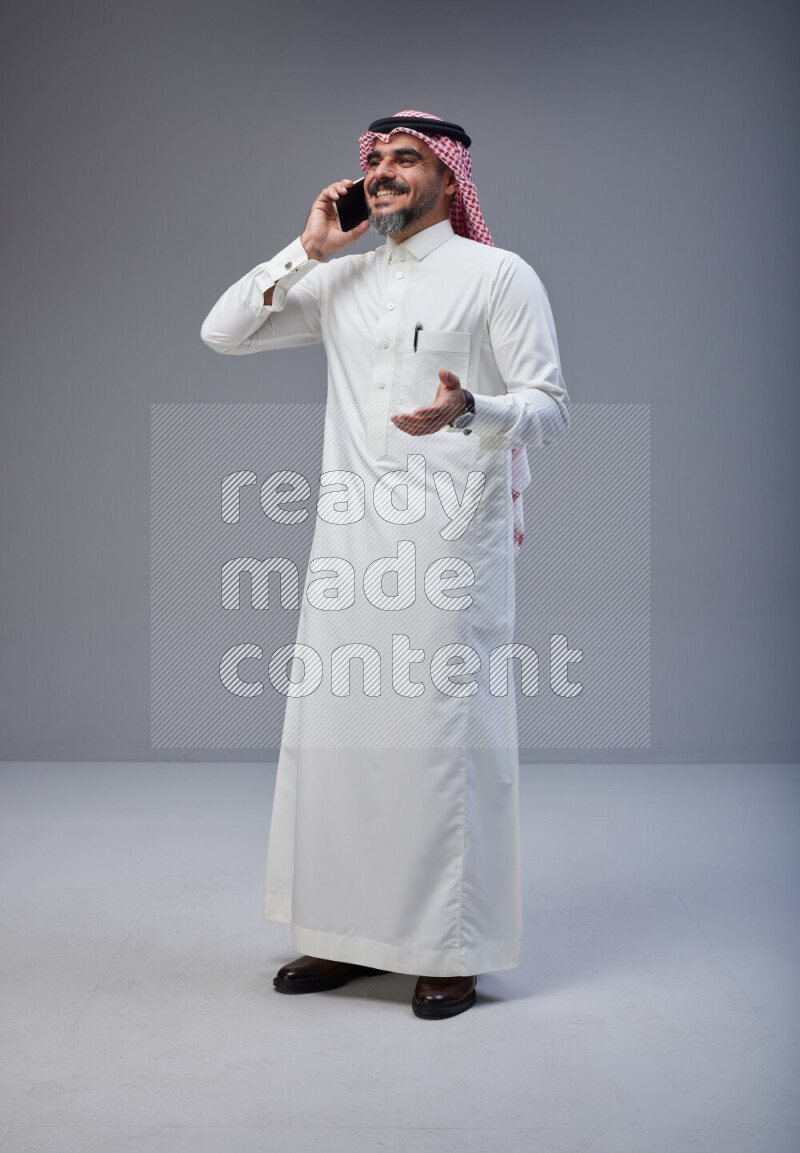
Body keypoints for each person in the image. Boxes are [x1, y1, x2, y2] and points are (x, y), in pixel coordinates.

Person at [201, 110, 570, 1019]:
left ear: (450, 178)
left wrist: (470, 408)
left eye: (406, 158)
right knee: (339, 741)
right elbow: (223, 332)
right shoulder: (342, 281)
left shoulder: (497, 275)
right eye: (373, 159)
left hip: (450, 548)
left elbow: (550, 407)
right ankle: (342, 936)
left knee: (441, 745)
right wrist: (306, 248)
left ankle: (450, 947)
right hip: (348, 548)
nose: (385, 171)